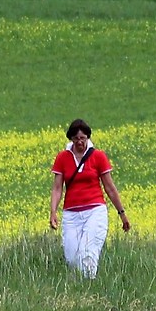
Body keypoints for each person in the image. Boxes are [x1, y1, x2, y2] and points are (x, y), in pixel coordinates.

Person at [49, 119, 128, 278]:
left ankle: (90, 286)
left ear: (88, 138)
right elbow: (57, 188)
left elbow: (110, 188)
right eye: (76, 138)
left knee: (87, 252)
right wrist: (53, 212)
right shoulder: (63, 158)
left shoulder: (98, 156)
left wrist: (122, 214)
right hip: (71, 214)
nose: (80, 142)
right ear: (71, 139)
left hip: (94, 211)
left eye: (83, 138)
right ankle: (79, 290)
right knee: (72, 258)